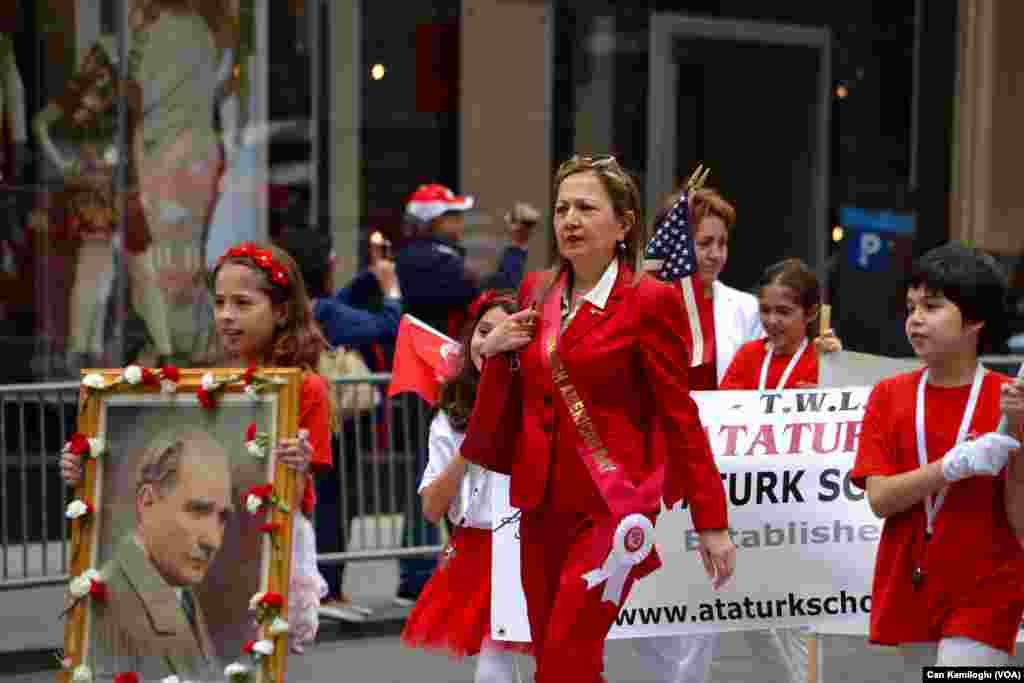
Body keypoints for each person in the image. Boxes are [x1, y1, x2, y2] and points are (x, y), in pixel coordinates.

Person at [458, 154, 735, 683]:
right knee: (560, 662)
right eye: (562, 208)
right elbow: (516, 389)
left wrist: (712, 521)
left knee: (565, 656)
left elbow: (680, 416)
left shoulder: (649, 301)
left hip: (612, 506)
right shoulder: (538, 289)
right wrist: (494, 351)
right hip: (539, 503)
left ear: (623, 225)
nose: (569, 220)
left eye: (586, 207)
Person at [62, 240, 334, 654]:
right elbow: (166, 459)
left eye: (243, 303)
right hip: (205, 541)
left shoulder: (305, 388)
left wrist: (296, 465)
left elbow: (294, 495)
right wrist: (89, 466)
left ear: (281, 311)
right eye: (220, 302)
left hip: (265, 543)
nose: (226, 316)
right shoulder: (206, 382)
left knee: (248, 656)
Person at [850, 242, 1024, 677]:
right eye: (910, 307)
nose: (915, 319)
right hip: (912, 581)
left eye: (932, 306)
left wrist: (1019, 432)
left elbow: (1020, 519)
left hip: (988, 585)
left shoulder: (1009, 398)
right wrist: (950, 467)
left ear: (975, 320)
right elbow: (880, 499)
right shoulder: (889, 396)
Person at [401, 290, 530, 683]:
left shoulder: (539, 401)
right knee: (495, 668)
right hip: (480, 549)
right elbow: (431, 508)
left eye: (505, 331)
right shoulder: (449, 417)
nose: (490, 340)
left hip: (537, 545)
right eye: (483, 330)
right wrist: (473, 443)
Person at [274, 225, 399, 622]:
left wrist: (368, 277)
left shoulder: (286, 311)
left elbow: (340, 302)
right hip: (328, 424)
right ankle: (325, 588)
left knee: (299, 502)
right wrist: (391, 289)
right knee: (330, 501)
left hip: (284, 418)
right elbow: (386, 326)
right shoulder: (324, 313)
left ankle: (302, 585)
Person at [85, 428, 230, 680]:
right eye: (197, 510)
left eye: (222, 517)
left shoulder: (178, 588)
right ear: (147, 502)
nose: (214, 541)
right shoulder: (107, 602)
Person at [395, 184, 535, 339]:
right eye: (454, 214)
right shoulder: (430, 260)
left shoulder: (416, 254)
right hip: (430, 352)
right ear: (435, 221)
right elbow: (500, 290)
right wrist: (517, 245)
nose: (460, 220)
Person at [720, 258, 841, 391]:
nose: (772, 320)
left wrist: (836, 367)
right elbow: (723, 408)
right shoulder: (747, 355)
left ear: (811, 313)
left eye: (783, 312)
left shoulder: (822, 361)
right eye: (765, 310)